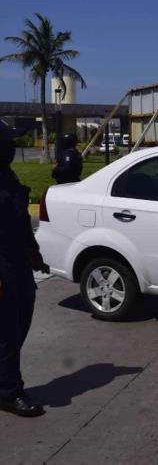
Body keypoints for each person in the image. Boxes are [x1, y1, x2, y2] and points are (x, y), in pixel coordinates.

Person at [0, 119, 49, 417]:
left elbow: (19, 221)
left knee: (18, 326)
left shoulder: (6, 176)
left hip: (18, 262)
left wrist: (34, 253)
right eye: (7, 144)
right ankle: (9, 392)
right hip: (2, 266)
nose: (12, 148)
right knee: (7, 330)